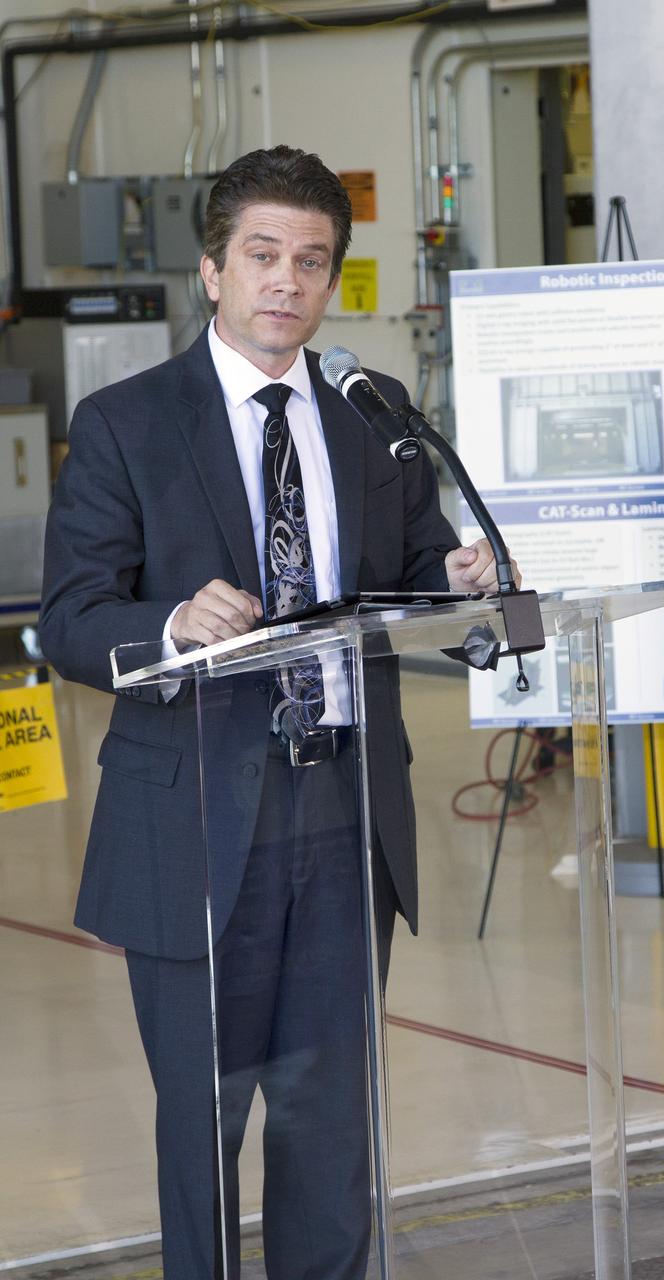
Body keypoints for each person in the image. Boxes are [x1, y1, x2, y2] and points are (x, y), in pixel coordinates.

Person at [39, 144, 518, 1280]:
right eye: (262, 256)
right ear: (212, 270)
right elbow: (70, 618)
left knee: (332, 1121)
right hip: (199, 819)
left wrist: (448, 579)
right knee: (205, 1120)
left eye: (311, 261)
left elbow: (398, 574)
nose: (285, 283)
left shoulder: (373, 413)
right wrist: (168, 621)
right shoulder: (125, 423)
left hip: (345, 812)